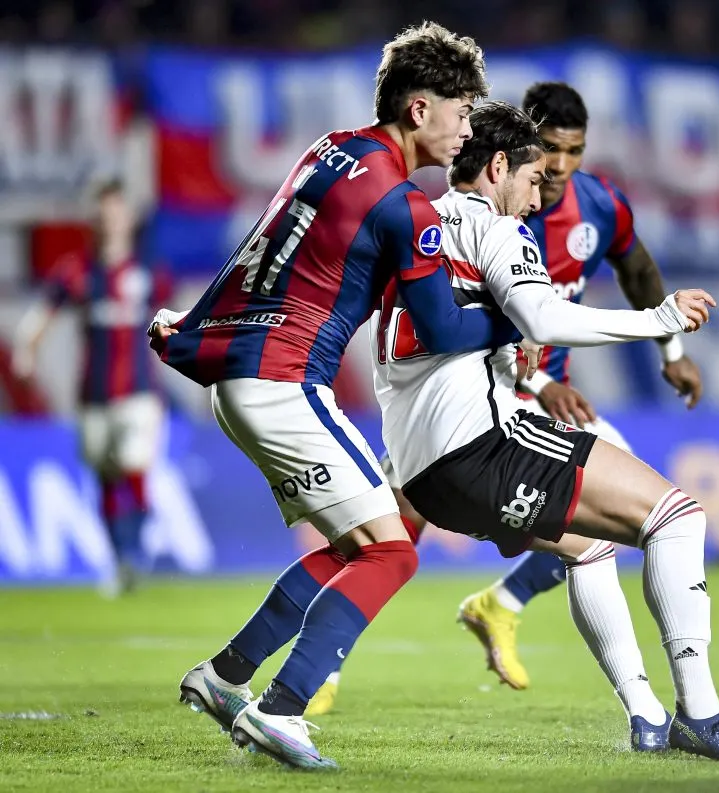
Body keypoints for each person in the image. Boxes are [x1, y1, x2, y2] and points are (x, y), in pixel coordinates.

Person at [148, 22, 514, 769]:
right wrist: (518, 316)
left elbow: (263, 247)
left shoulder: (329, 150)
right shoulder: (404, 206)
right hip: (283, 381)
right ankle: (282, 711)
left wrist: (197, 324)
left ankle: (225, 676)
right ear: (419, 109)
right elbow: (443, 328)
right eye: (461, 112)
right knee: (393, 552)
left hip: (242, 375)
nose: (467, 130)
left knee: (357, 545)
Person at [371, 100, 719, 760]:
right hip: (482, 447)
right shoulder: (499, 228)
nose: (537, 198)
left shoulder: (417, 224)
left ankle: (646, 715)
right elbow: (546, 317)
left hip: (421, 474)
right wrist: (659, 321)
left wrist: (508, 349)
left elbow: (445, 330)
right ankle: (702, 715)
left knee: (587, 548)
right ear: (498, 167)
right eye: (532, 178)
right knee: (678, 518)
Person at [454, 81, 706, 691]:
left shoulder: (598, 205)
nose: (561, 166)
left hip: (546, 394)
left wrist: (672, 352)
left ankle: (502, 606)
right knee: (391, 528)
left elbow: (638, 270)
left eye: (575, 150)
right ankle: (323, 664)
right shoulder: (499, 215)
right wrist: (541, 381)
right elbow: (491, 318)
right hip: (483, 391)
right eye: (550, 150)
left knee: (621, 514)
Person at [14, 179, 168, 596]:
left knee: (134, 462)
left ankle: (135, 552)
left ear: (128, 218)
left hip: (140, 392)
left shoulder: (149, 272)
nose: (110, 221)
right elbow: (44, 312)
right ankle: (120, 561)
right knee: (105, 475)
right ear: (93, 221)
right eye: (103, 214)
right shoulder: (78, 271)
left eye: (116, 212)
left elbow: (183, 317)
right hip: (93, 394)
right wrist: (27, 349)